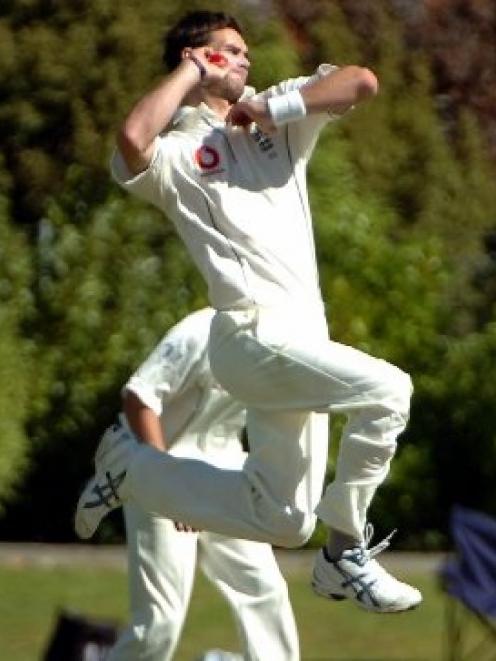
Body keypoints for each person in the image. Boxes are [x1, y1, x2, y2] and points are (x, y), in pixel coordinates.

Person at [76, 10, 422, 613]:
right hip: (250, 332)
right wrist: (189, 72)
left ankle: (132, 468)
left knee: (284, 518)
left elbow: (361, 81)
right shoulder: (178, 151)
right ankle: (345, 552)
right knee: (390, 391)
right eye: (229, 51)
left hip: (300, 338)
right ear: (197, 58)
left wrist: (271, 110)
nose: (245, 60)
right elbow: (132, 139)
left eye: (244, 52)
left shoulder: (277, 113)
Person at [101, 308, 300, 661]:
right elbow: (139, 398)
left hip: (227, 475)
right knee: (159, 625)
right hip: (161, 471)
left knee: (265, 593)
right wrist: (171, 485)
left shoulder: (278, 338)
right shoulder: (197, 331)